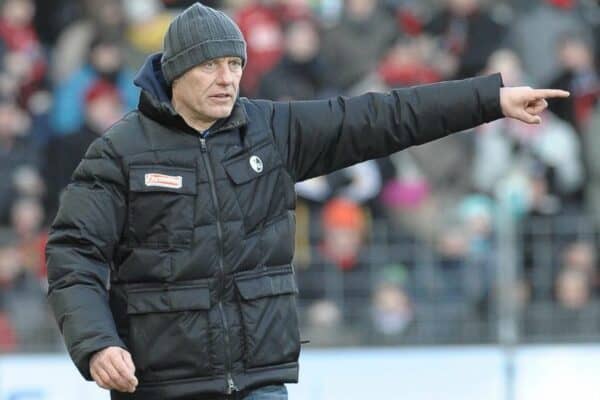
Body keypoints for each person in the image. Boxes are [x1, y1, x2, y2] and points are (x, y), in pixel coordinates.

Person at [45, 3, 569, 400]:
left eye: (234, 63)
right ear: (175, 71)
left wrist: (491, 99)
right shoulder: (120, 151)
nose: (227, 78)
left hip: (260, 381)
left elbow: (384, 116)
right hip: (160, 384)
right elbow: (74, 257)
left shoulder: (273, 129)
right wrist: (96, 344)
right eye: (210, 66)